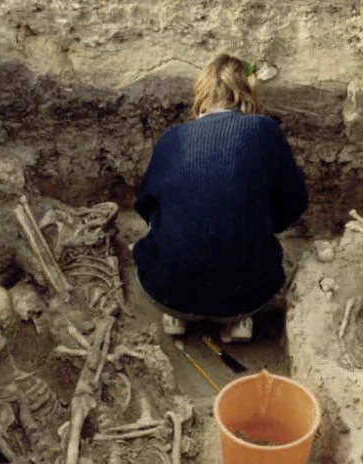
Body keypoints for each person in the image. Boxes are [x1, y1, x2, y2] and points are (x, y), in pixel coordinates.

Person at [132, 53, 309, 343]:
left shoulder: (172, 138)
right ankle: (238, 321)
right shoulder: (265, 131)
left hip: (164, 291)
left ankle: (178, 315)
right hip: (247, 297)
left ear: (202, 93)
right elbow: (294, 201)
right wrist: (262, 223)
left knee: (164, 225)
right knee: (259, 248)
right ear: (246, 91)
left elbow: (145, 205)